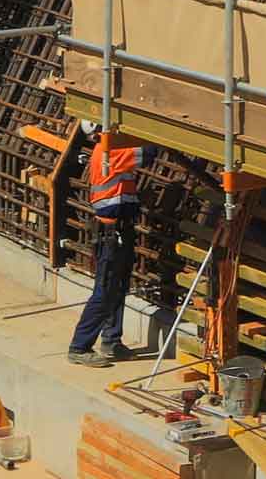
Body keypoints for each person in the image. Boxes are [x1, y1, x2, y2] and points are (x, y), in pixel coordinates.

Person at [68, 126, 159, 367]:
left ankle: (111, 340)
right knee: (105, 291)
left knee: (118, 288)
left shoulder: (111, 151)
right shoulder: (110, 153)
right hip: (111, 234)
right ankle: (80, 346)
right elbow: (149, 152)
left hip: (119, 230)